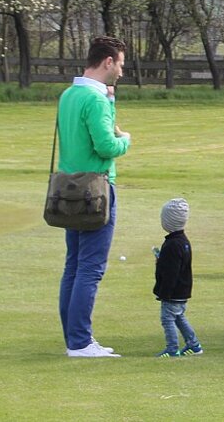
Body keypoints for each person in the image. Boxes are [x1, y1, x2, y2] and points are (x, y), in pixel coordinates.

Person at [57, 36, 131, 358]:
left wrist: (111, 101)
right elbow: (106, 145)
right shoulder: (96, 100)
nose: (121, 72)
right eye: (121, 65)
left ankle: (75, 338)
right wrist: (126, 141)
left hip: (67, 188)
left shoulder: (69, 94)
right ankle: (80, 342)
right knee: (90, 268)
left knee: (73, 265)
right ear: (108, 62)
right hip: (96, 190)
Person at [154, 198, 203, 357]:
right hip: (182, 290)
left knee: (167, 319)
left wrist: (164, 293)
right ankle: (194, 344)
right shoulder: (183, 241)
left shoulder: (172, 245)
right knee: (179, 317)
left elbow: (171, 272)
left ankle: (172, 348)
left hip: (173, 293)